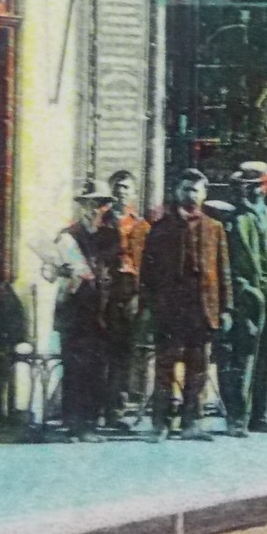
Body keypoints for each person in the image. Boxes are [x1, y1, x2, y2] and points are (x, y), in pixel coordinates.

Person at [140, 169, 232, 440]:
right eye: (186, 189)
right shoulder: (160, 229)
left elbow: (223, 271)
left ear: (204, 195)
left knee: (198, 368)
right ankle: (161, 423)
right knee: (165, 368)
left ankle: (191, 422)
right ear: (176, 193)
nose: (190, 194)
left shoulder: (214, 228)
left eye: (196, 190)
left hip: (202, 310)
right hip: (169, 312)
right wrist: (148, 307)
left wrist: (226, 309)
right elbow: (148, 272)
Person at [221, 161, 267, 436]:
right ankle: (237, 418)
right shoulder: (236, 220)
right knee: (244, 361)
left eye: (257, 186)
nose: (252, 191)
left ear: (265, 187)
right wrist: (241, 290)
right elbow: (228, 264)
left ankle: (261, 416)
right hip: (248, 299)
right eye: (247, 186)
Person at [54, 180, 119, 442]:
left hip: (101, 311)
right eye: (88, 205)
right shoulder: (67, 235)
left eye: (98, 205)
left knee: (96, 368)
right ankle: (73, 424)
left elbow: (113, 268)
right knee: (74, 366)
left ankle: (90, 424)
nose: (93, 211)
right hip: (74, 310)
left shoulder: (110, 237)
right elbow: (51, 272)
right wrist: (63, 272)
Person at [103, 169, 150, 431]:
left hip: (130, 293)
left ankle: (118, 409)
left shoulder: (142, 227)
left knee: (125, 353)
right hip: (105, 293)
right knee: (102, 352)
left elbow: (148, 265)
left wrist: (141, 297)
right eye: (117, 186)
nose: (121, 191)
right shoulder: (100, 223)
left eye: (126, 187)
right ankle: (99, 407)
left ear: (134, 192)